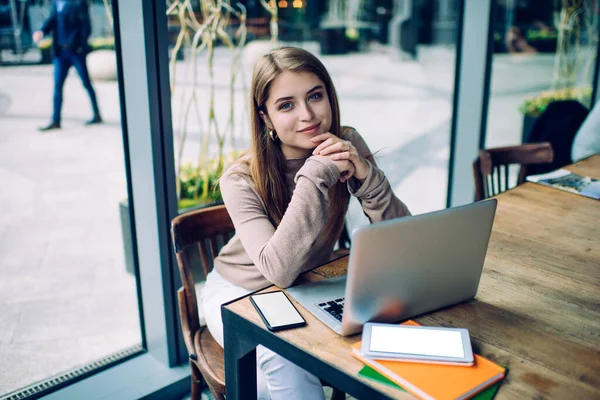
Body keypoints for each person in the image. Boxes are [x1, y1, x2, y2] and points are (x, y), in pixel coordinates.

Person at [201, 46, 411, 399]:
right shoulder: (239, 178)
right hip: (240, 291)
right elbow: (277, 270)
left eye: (315, 96)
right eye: (286, 105)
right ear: (266, 118)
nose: (308, 115)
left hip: (309, 283)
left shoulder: (347, 142)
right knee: (287, 361)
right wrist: (315, 172)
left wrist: (367, 177)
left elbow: (404, 241)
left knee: (398, 322)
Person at [33, 0, 102, 132]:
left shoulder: (78, 3)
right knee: (57, 86)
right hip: (60, 53)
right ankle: (55, 120)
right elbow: (53, 20)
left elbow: (86, 25)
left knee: (86, 83)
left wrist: (81, 47)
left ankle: (97, 114)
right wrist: (42, 31)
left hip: (75, 52)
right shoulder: (55, 3)